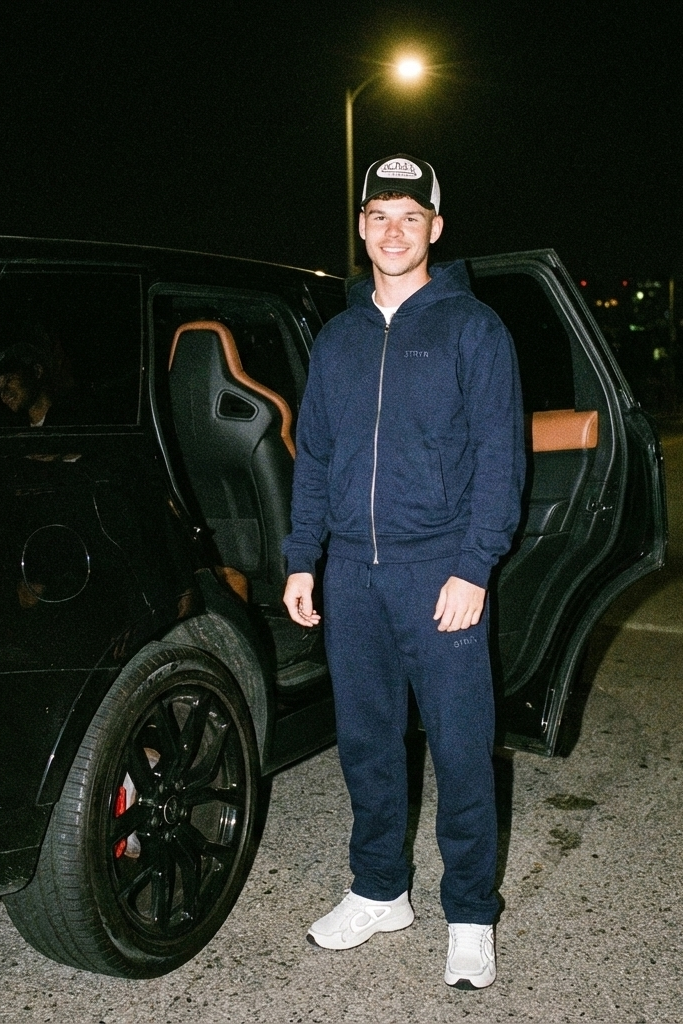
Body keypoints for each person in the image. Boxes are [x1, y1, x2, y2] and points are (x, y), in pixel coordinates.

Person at [282, 154, 525, 990]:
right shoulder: (338, 337)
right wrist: (302, 559)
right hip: (351, 572)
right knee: (365, 745)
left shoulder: (472, 328)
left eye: (410, 217)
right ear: (360, 226)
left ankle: (469, 913)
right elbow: (315, 456)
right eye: (379, 216)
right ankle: (379, 890)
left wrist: (473, 567)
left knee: (460, 752)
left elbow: (499, 458)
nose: (393, 232)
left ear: (435, 228)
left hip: (438, 573)